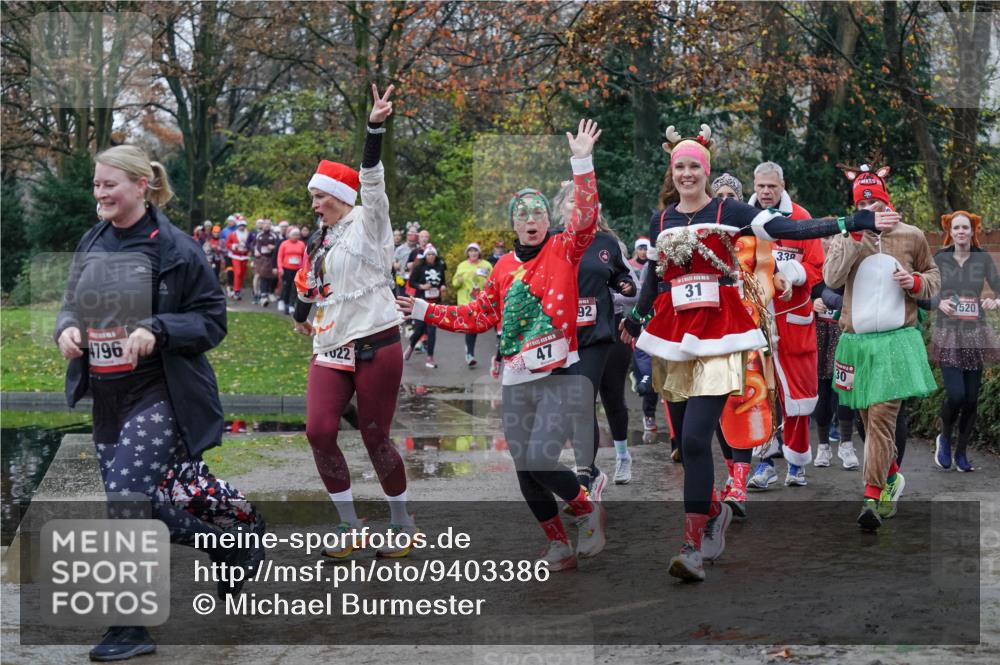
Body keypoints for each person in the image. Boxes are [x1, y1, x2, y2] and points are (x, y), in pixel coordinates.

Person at [621, 124, 883, 579]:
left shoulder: (729, 210)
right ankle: (713, 514)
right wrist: (636, 317)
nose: (687, 174)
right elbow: (653, 278)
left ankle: (691, 545)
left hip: (720, 336)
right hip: (676, 337)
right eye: (680, 167)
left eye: (694, 167)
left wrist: (850, 222)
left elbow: (789, 228)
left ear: (705, 171)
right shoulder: (661, 220)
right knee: (685, 443)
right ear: (672, 172)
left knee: (698, 438)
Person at [57, 145, 263, 661]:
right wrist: (67, 329)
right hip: (107, 396)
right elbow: (71, 302)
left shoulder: (176, 248)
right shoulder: (93, 239)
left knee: (127, 500)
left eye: (110, 184)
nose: (100, 193)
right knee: (134, 502)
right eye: (96, 184)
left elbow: (212, 319)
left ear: (140, 186)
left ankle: (130, 628)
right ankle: (230, 543)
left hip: (159, 392)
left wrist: (159, 329)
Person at [397, 119, 606, 571]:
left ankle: (587, 508)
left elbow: (587, 215)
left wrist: (582, 161)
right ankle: (558, 544)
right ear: (513, 222)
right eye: (522, 215)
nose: (531, 221)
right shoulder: (502, 268)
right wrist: (423, 310)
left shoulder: (565, 248)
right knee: (524, 467)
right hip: (516, 378)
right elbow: (477, 316)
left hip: (560, 373)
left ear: (549, 221)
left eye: (538, 214)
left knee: (541, 458)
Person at [293, 84, 415, 558]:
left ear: (339, 195)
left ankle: (402, 521)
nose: (313, 205)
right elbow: (308, 283)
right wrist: (303, 316)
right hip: (331, 344)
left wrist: (374, 129)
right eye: (311, 197)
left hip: (375, 340)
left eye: (318, 196)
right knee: (319, 431)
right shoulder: (319, 238)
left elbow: (372, 180)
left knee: (374, 434)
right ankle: (349, 525)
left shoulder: (369, 221)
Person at [824, 162, 939, 530]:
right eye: (862, 203)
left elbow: (934, 277)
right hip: (855, 345)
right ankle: (890, 476)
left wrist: (915, 282)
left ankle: (871, 497)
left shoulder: (911, 236)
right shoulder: (847, 235)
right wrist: (855, 233)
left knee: (881, 420)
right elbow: (831, 279)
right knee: (866, 420)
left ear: (887, 201)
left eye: (875, 202)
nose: (869, 208)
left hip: (896, 342)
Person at [551, 180, 636, 492]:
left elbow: (623, 276)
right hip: (558, 336)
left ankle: (585, 474)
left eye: (583, 202)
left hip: (597, 335)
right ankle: (591, 471)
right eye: (571, 201)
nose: (578, 206)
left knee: (586, 398)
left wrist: (626, 285)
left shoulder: (606, 243)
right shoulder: (550, 241)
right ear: (560, 208)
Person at [745, 161, 824, 489]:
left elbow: (816, 267)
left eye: (772, 187)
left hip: (793, 322)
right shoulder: (743, 219)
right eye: (761, 186)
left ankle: (796, 461)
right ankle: (764, 463)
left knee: (796, 397)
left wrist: (792, 275)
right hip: (754, 321)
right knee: (758, 394)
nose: (766, 192)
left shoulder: (801, 218)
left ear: (782, 186)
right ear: (754, 186)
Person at [923, 210, 1000, 472]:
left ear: (972, 230)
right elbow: (924, 292)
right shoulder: (940, 258)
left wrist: (995, 301)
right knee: (956, 395)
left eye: (965, 227)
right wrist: (938, 303)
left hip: (975, 332)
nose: (961, 232)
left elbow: (998, 288)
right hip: (948, 332)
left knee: (971, 399)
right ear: (950, 231)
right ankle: (944, 437)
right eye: (956, 228)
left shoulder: (982, 258)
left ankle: (962, 452)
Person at [452, 242, 493, 365]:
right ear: (467, 253)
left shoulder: (486, 265)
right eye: (471, 251)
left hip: (481, 301)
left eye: (475, 251)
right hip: (466, 302)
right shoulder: (462, 266)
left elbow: (494, 281)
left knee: (475, 328)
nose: (473, 253)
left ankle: (469, 348)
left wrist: (487, 282)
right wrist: (460, 280)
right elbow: (454, 284)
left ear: (479, 252)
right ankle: (470, 354)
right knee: (471, 327)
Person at [405, 244, 446, 368]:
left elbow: (442, 281)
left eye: (433, 254)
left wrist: (443, 287)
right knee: (419, 330)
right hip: (421, 302)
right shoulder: (419, 267)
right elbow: (411, 282)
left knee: (432, 331)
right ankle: (411, 346)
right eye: (428, 254)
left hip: (434, 303)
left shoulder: (440, 266)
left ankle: (430, 358)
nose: (431, 256)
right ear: (425, 256)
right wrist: (421, 286)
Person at [277, 226, 307, 314]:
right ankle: (283, 302)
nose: (296, 236)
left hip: (297, 269)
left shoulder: (301, 244)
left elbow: (304, 257)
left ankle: (291, 304)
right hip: (286, 269)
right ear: (289, 235)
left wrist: (303, 269)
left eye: (297, 234)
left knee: (295, 288)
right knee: (286, 286)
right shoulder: (284, 244)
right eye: (294, 234)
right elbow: (279, 257)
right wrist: (280, 268)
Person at [252, 218, 279, 306]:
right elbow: (252, 245)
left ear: (271, 225)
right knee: (258, 276)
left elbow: (279, 247)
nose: (267, 225)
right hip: (260, 258)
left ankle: (266, 294)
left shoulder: (274, 235)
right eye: (265, 223)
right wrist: (255, 251)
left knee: (269, 276)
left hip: (270, 258)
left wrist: (274, 247)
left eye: (268, 224)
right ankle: (257, 295)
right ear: (262, 225)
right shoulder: (258, 235)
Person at [226, 219, 251, 300]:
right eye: (240, 226)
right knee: (238, 272)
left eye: (243, 226)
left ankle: (238, 288)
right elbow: (228, 244)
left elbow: (252, 243)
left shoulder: (249, 234)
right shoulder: (233, 234)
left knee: (243, 274)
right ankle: (236, 290)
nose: (241, 227)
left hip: (245, 256)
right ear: (237, 226)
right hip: (235, 256)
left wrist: (249, 248)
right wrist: (234, 246)